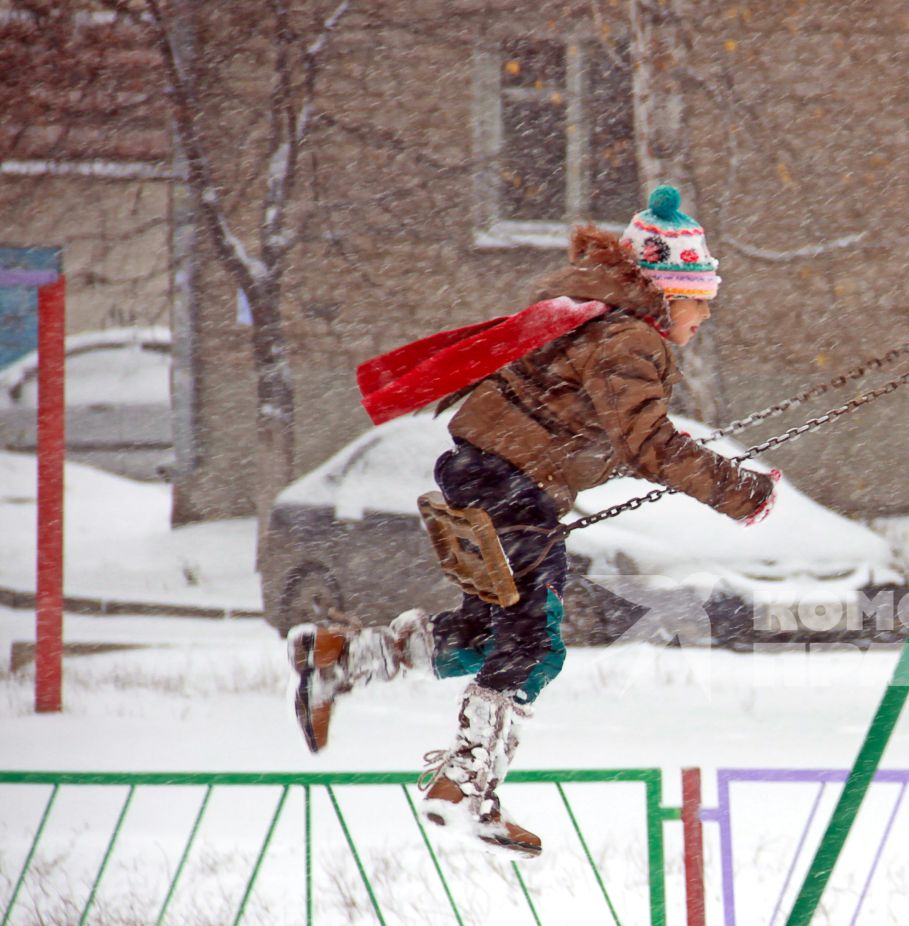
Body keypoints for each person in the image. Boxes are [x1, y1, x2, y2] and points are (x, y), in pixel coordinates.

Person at [288, 186, 776, 857]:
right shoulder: (631, 339)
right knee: (533, 645)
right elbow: (649, 444)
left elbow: (588, 431)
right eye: (699, 301)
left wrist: (678, 467)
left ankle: (344, 660)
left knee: (481, 635)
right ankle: (462, 787)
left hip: (488, 479)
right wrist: (739, 490)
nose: (702, 318)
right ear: (667, 294)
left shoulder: (591, 320)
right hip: (513, 490)